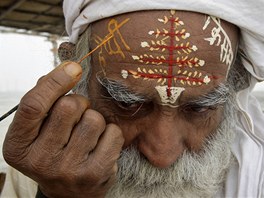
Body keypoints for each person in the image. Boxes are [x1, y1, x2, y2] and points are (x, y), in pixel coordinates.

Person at [1, 1, 264, 197]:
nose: (162, 155)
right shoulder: (46, 169)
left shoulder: (257, 170)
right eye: (127, 104)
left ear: (237, 81)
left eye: (200, 107)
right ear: (76, 75)